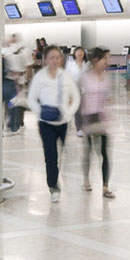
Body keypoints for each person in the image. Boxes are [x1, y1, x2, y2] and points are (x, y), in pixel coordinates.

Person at [25, 46, 80, 202]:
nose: (55, 61)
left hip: (63, 121)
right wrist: (40, 111)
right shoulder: (40, 77)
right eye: (51, 58)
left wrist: (69, 113)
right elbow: (31, 98)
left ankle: (58, 179)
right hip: (46, 123)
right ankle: (53, 186)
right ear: (46, 60)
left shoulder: (66, 76)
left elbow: (75, 97)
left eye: (57, 57)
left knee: (64, 154)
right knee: (50, 155)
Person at [78, 47, 114, 198]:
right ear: (95, 60)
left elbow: (108, 98)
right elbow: (79, 99)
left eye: (107, 59)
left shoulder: (106, 77)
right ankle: (86, 179)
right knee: (88, 152)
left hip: (102, 117)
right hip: (88, 117)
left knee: (105, 153)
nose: (106, 62)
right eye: (104, 59)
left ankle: (105, 186)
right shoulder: (85, 77)